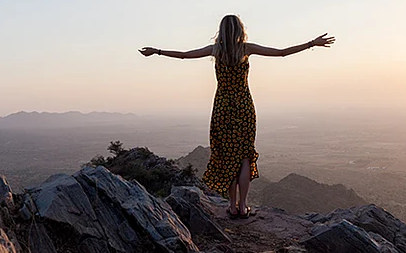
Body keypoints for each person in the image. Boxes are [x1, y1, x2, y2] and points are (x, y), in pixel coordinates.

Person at [139, 14, 335, 218]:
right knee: (244, 157)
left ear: (221, 30)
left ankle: (232, 206)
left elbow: (184, 55)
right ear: (240, 30)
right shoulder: (246, 49)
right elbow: (282, 53)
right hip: (244, 107)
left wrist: (157, 51)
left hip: (223, 108)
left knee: (227, 156)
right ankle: (243, 206)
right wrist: (312, 43)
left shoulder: (216, 50)